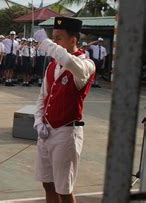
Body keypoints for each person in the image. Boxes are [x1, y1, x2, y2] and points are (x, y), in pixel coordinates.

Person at [33, 17, 95, 203]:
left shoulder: (86, 65)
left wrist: (46, 44)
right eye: (52, 38)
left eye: (58, 38)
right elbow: (42, 97)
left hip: (66, 132)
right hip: (47, 131)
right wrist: (38, 121)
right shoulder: (53, 65)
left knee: (64, 190)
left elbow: (70, 62)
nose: (54, 42)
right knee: (48, 183)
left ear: (73, 40)